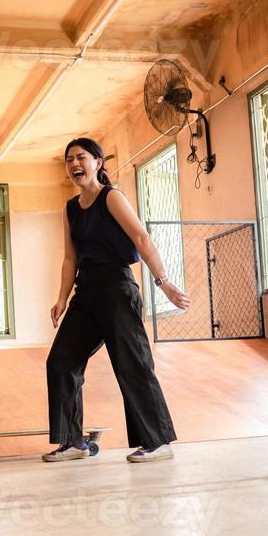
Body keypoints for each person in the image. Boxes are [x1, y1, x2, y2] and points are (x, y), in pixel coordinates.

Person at [44, 137, 190, 463]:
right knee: (61, 360)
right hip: (86, 292)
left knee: (132, 363)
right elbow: (70, 258)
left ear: (98, 162)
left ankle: (158, 441)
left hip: (117, 287)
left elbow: (141, 237)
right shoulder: (70, 209)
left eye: (81, 157)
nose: (74, 164)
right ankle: (72, 442)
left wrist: (163, 282)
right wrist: (62, 299)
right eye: (69, 160)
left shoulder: (111, 198)